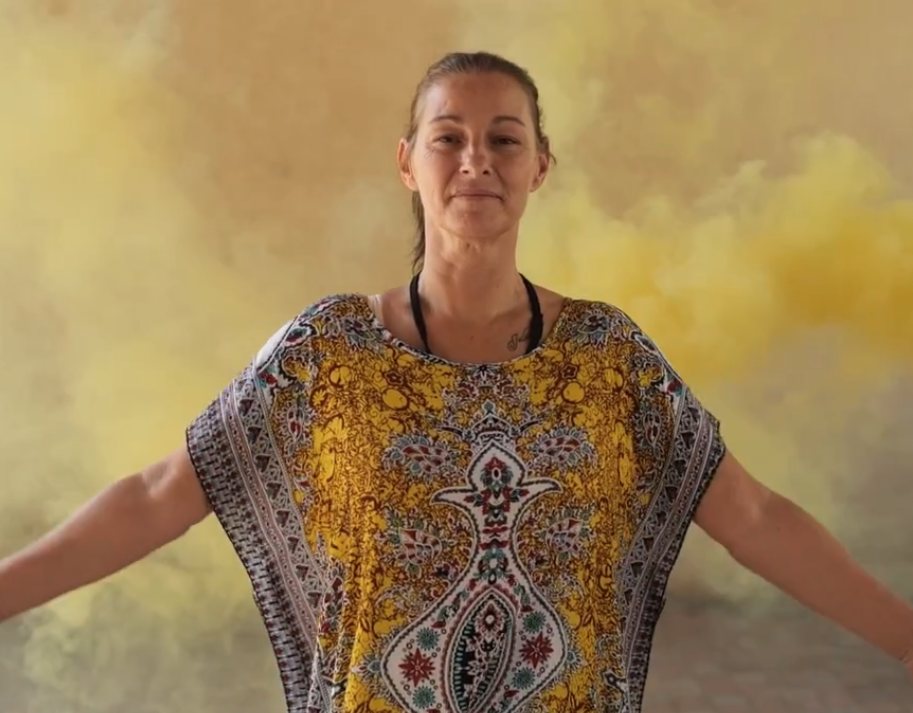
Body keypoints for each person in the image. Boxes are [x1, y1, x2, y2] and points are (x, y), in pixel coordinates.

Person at [0, 51, 911, 713]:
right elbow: (159, 494)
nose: (476, 159)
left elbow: (753, 516)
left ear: (539, 166)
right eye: (449, 138)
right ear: (407, 162)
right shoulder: (326, 351)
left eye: (503, 139)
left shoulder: (609, 357)